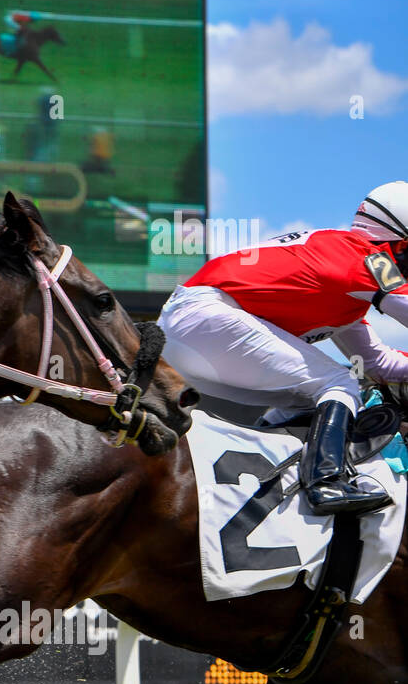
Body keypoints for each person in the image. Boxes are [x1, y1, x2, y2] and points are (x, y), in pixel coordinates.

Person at [158, 181, 408, 515]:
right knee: (339, 383)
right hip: (206, 318)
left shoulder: (346, 284)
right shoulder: (366, 256)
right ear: (401, 242)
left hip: (190, 331)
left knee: (311, 394)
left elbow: (378, 363)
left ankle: (266, 472)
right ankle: (324, 482)